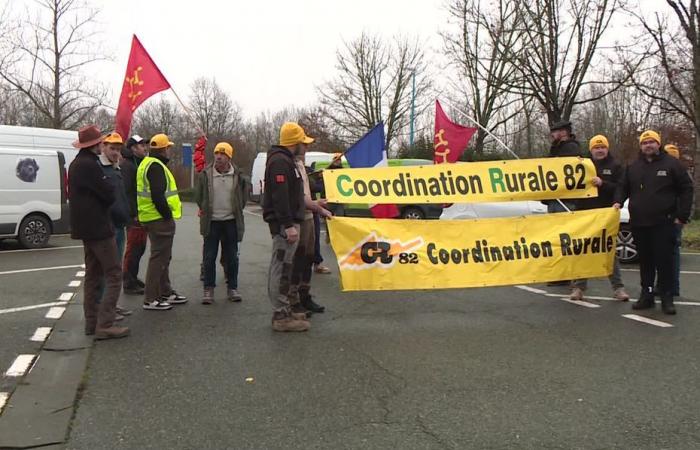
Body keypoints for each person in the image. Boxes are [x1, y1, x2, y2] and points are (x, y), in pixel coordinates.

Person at [614, 130, 693, 315]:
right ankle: (647, 295)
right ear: (641, 146)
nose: (648, 145)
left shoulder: (672, 164)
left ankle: (666, 297)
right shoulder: (633, 167)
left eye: (651, 142)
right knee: (646, 262)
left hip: (664, 223)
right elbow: (622, 187)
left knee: (664, 262)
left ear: (658, 144)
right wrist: (618, 201)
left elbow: (686, 189)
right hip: (640, 223)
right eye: (644, 142)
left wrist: (682, 215)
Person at [68, 125, 129, 340]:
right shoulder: (90, 165)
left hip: (84, 228)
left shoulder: (76, 164)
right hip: (99, 228)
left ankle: (91, 323)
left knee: (93, 275)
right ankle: (105, 323)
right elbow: (108, 194)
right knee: (113, 274)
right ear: (95, 144)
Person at [263, 122, 314, 332]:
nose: (305, 146)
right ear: (296, 142)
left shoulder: (286, 160)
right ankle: (280, 315)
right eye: (303, 142)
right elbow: (280, 196)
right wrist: (288, 225)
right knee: (282, 268)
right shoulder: (280, 162)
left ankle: (284, 310)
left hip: (289, 223)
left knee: (286, 266)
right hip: (286, 226)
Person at [570, 135, 630, 302]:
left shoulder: (616, 166)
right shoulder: (582, 165)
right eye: (596, 147)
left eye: (602, 147)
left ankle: (618, 288)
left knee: (609, 252)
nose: (600, 150)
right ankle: (579, 288)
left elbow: (621, 187)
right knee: (583, 251)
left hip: (605, 215)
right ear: (591, 150)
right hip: (585, 214)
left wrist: (603, 184)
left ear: (607, 148)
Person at [137, 133, 187, 311]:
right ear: (164, 149)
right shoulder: (156, 166)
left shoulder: (147, 163)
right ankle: (151, 298)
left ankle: (165, 292)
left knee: (163, 257)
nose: (169, 151)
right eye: (168, 148)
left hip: (150, 217)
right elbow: (158, 195)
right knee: (159, 258)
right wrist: (167, 215)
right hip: (158, 218)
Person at [195, 142, 248, 304]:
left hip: (231, 222)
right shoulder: (206, 174)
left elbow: (243, 198)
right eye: (217, 153)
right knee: (209, 257)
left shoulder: (238, 176)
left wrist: (236, 210)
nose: (218, 157)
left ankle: (232, 288)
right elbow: (199, 197)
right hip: (212, 222)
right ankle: (208, 290)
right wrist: (205, 208)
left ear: (229, 157)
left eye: (223, 154)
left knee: (232, 257)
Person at [288, 146, 332, 317]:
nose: (305, 150)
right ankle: (294, 299)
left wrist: (316, 203)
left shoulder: (302, 167)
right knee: (297, 260)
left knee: (308, 256)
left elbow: (308, 191)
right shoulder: (288, 166)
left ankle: (305, 295)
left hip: (309, 215)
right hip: (299, 216)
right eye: (303, 146)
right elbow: (297, 196)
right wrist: (318, 207)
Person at [546, 120, 584, 286]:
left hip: (566, 199)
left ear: (562, 132)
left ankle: (568, 273)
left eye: (554, 132)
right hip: (555, 198)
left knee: (565, 237)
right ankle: (560, 273)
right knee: (556, 236)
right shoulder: (556, 148)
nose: (552, 136)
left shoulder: (571, 148)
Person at [99, 132, 133, 318]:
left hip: (119, 224)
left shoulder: (115, 168)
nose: (115, 152)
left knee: (116, 268)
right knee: (109, 270)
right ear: (103, 147)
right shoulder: (101, 169)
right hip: (110, 226)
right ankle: (106, 309)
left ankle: (112, 304)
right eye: (112, 148)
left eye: (118, 149)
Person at [121, 135, 148, 295]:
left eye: (145, 144)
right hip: (134, 216)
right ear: (133, 148)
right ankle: (128, 282)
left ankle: (133, 276)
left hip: (141, 214)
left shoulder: (138, 164)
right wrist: (133, 214)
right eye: (141, 145)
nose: (145, 147)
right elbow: (126, 192)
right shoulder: (128, 166)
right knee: (134, 248)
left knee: (140, 247)